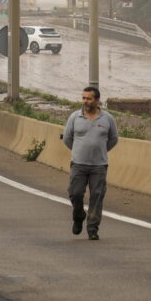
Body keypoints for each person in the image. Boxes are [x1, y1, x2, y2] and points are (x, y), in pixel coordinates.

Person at [62, 86, 119, 240]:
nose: (85, 101)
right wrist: (79, 151)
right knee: (75, 193)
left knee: (97, 195)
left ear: (97, 100)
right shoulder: (75, 117)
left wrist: (99, 150)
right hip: (78, 164)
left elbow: (113, 139)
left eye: (89, 98)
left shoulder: (107, 118)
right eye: (83, 98)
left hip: (99, 166)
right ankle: (79, 216)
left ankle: (92, 228)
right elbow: (67, 138)